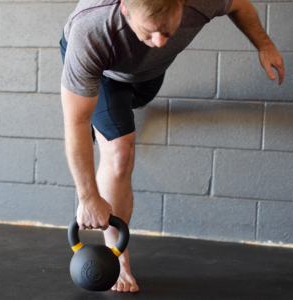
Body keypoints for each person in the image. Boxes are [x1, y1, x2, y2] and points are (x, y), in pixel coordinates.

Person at [60, 0, 284, 293]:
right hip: (104, 73)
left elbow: (239, 5)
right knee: (119, 153)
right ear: (126, 9)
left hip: (147, 76)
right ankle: (120, 258)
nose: (159, 42)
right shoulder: (91, 30)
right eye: (150, 32)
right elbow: (76, 121)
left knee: (128, 109)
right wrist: (88, 196)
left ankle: (114, 117)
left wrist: (264, 45)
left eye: (168, 31)